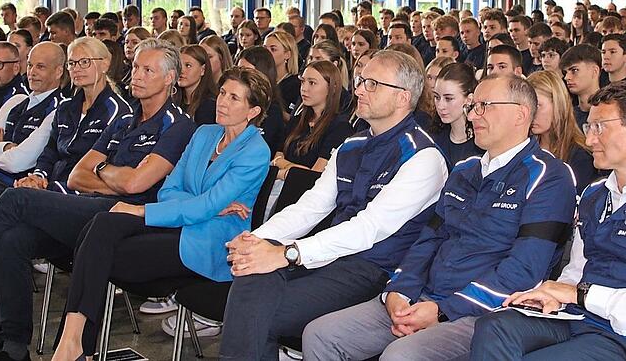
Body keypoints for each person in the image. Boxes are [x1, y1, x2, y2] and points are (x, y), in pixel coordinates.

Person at [302, 74, 577, 361]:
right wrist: (398, 291)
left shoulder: (549, 176)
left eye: (484, 106)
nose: (473, 116)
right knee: (321, 335)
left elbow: (525, 271)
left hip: (484, 311)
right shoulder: (464, 170)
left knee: (402, 356)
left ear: (520, 114)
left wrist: (444, 310)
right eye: (472, 107)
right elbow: (428, 240)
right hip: (424, 297)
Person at [0, 39, 194, 361]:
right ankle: (13, 346)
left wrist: (105, 175)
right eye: (136, 67)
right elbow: (77, 175)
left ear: (169, 79)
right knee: (13, 238)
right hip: (89, 205)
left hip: (124, 219)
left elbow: (138, 184)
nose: (136, 75)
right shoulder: (127, 121)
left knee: (14, 199)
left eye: (147, 70)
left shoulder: (177, 125)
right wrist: (112, 175)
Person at [218, 50, 449, 359]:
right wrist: (256, 241)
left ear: (403, 98)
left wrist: (288, 253)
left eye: (372, 84)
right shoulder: (351, 146)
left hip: (374, 269)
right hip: (331, 256)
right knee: (252, 275)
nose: (359, 90)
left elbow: (368, 229)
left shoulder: (423, 157)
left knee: (257, 313)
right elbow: (310, 207)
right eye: (361, 80)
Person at [467, 81, 626, 361]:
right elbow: (577, 270)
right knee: (494, 327)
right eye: (589, 127)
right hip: (578, 319)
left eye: (600, 127)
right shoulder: (594, 194)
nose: (590, 140)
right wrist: (553, 295)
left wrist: (580, 294)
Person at [49, 67, 272, 361]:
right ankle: (73, 342)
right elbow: (170, 190)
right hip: (180, 223)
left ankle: (76, 346)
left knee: (97, 253)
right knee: (103, 223)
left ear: (253, 111)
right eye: (221, 93)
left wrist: (149, 209)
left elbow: (201, 207)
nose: (222, 102)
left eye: (234, 98)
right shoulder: (205, 133)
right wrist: (205, 204)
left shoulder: (256, 151)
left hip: (210, 243)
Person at [272, 61, 353, 181]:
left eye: (312, 83)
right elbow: (277, 157)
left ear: (333, 87)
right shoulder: (296, 121)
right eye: (303, 81)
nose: (304, 88)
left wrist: (282, 169)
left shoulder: (340, 128)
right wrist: (286, 166)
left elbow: (315, 175)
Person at [528, 70, 598, 193]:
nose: (531, 114)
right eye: (527, 106)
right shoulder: (526, 146)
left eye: (538, 105)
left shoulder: (580, 155)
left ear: (557, 104)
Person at [235, 46, 286, 154]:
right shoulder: (233, 104)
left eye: (247, 71)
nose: (241, 77)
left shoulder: (272, 111)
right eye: (239, 70)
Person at [430, 62, 481, 170]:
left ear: (469, 99)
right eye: (437, 97)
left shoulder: (482, 144)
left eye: (448, 99)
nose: (440, 106)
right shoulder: (433, 139)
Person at [176, 45, 217, 126]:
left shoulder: (209, 105)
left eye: (188, 65)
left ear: (203, 70)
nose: (181, 71)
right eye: (179, 65)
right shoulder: (174, 99)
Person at [264, 30, 301, 114]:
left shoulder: (295, 85)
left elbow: (292, 119)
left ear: (287, 54)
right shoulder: (261, 80)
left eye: (273, 49)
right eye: (265, 48)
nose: (267, 53)